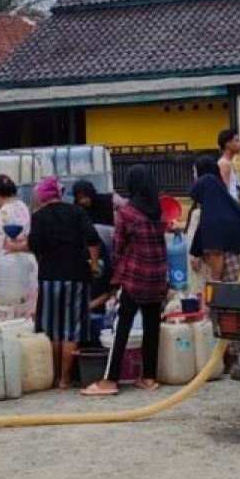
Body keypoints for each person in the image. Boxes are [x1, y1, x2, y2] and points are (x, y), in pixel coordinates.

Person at [82, 166, 167, 396]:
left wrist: (116, 276)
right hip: (157, 278)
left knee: (121, 327)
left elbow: (118, 249)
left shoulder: (127, 213)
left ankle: (109, 380)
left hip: (134, 277)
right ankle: (149, 377)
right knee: (152, 326)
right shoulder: (158, 212)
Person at [189, 153, 240, 367]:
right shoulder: (231, 206)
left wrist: (215, 285)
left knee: (229, 313)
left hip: (230, 270)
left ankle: (231, 357)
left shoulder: (213, 217)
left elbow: (216, 254)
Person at [28, 177, 99, 388]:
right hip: (76, 275)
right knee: (72, 329)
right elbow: (93, 239)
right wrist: (93, 264)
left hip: (49, 276)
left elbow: (34, 245)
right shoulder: (76, 212)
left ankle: (54, 374)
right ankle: (65, 379)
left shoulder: (38, 217)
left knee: (52, 329)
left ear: (42, 196)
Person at [0, 174, 36, 323]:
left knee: (2, 320)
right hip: (26, 264)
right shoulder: (22, 207)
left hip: (6, 270)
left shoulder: (1, 215)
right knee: (23, 316)